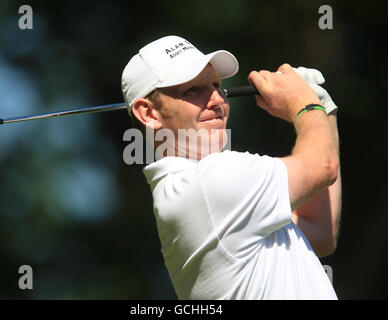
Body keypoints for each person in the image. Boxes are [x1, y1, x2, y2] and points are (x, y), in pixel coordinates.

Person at [121, 35, 341, 299]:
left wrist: (322, 110)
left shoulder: (193, 190)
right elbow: (323, 166)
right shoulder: (209, 180)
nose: (217, 99)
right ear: (148, 113)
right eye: (193, 90)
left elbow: (319, 231)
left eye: (216, 85)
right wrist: (304, 104)